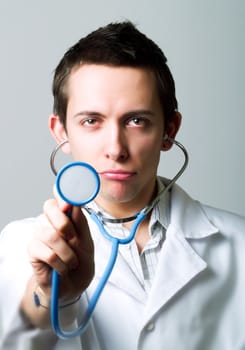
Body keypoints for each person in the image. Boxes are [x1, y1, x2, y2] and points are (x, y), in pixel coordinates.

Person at [0, 21, 245, 350]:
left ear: (169, 130)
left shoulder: (238, 244)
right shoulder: (17, 247)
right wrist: (51, 295)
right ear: (61, 132)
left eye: (136, 120)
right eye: (91, 121)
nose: (115, 148)